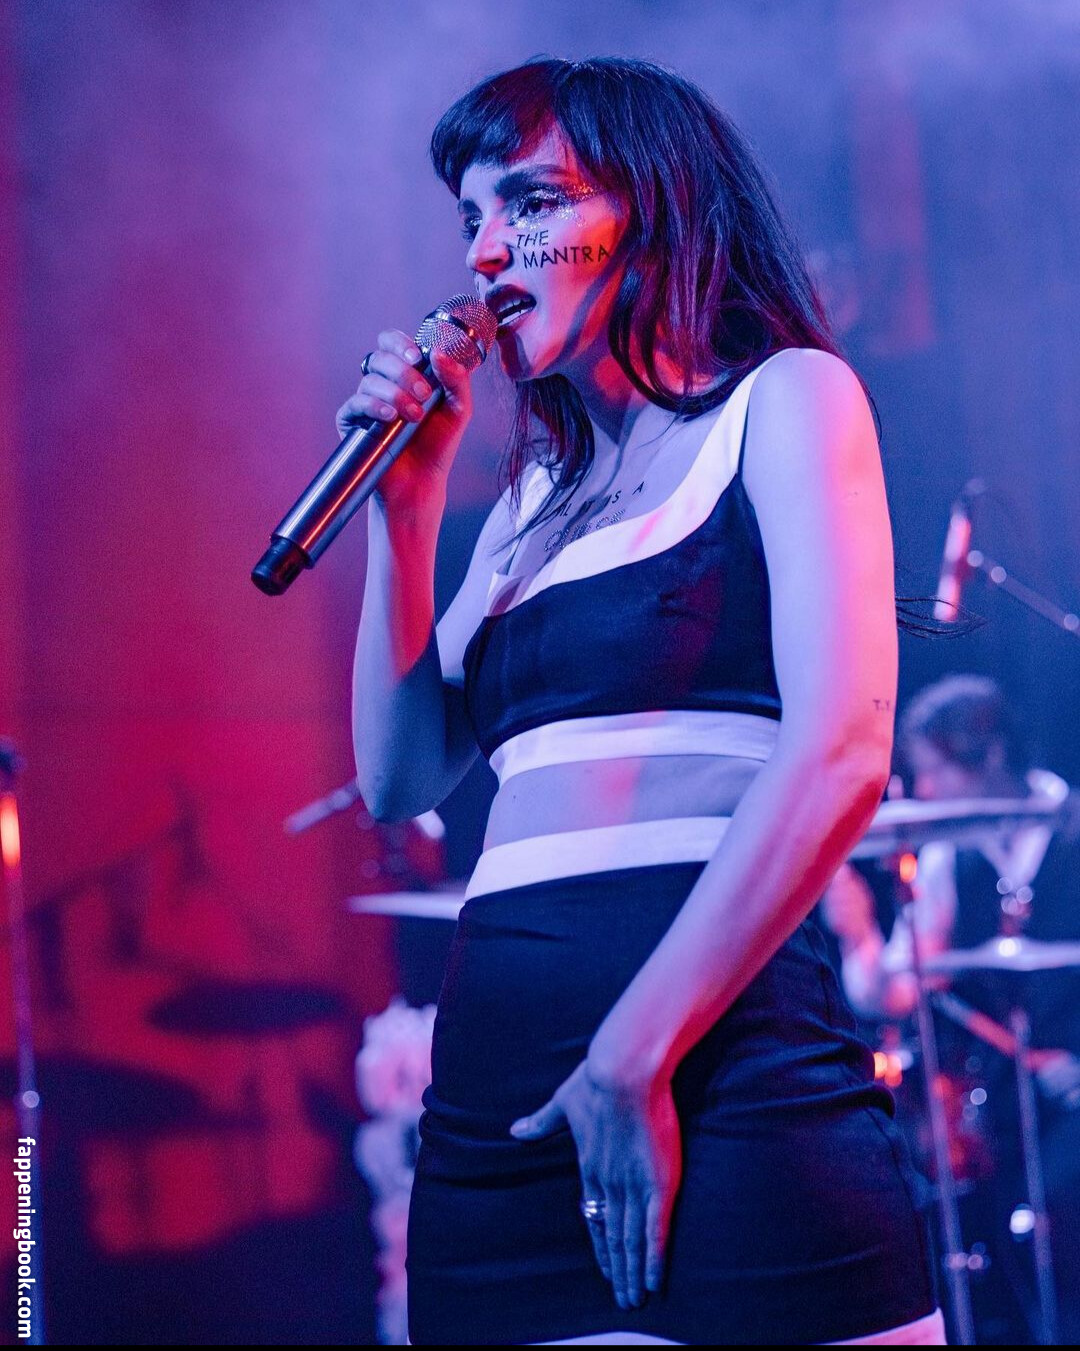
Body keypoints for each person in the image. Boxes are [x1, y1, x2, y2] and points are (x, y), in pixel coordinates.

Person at [345, 58, 942, 1345]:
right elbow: (399, 778)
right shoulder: (529, 504)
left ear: (653, 204)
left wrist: (633, 1054)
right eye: (471, 217)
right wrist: (406, 513)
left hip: (724, 1076)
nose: (487, 250)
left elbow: (842, 751)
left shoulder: (784, 401)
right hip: (498, 1115)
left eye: (532, 202)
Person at [822, 673, 1080, 1343]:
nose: (926, 792)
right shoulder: (947, 856)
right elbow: (895, 992)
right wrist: (857, 932)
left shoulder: (1074, 827)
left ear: (988, 754)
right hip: (1009, 1107)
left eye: (934, 771)